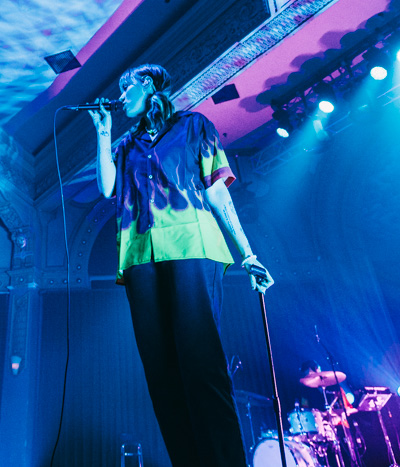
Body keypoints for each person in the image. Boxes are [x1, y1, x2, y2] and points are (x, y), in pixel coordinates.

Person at [88, 63, 274, 467]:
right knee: (160, 373)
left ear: (149, 85)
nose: (120, 96)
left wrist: (248, 254)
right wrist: (103, 132)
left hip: (192, 244)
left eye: (127, 87)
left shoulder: (194, 127)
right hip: (140, 256)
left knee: (200, 362)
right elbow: (106, 188)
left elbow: (218, 193)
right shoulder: (125, 145)